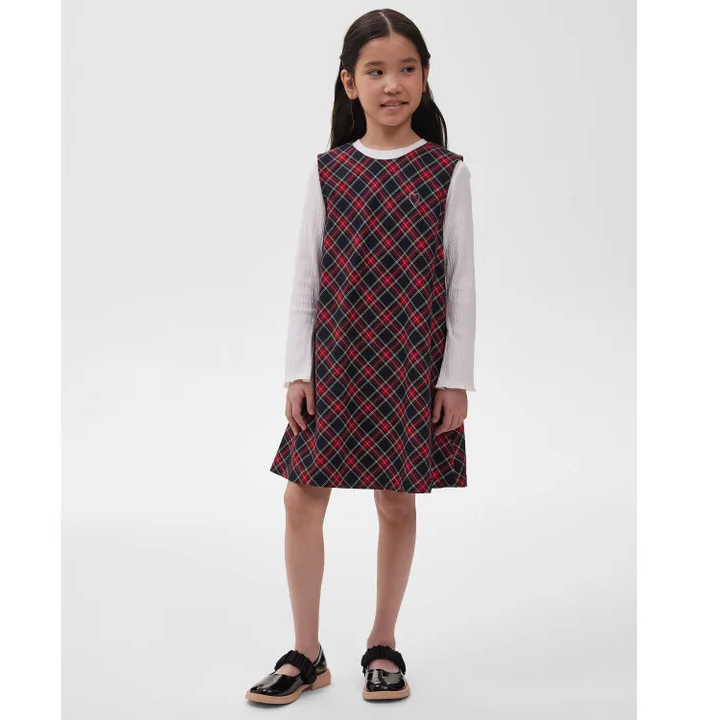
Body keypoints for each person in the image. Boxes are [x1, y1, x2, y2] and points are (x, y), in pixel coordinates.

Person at [246, 8, 476, 705]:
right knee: (300, 497)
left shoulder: (446, 174)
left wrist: (455, 379)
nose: (392, 84)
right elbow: (305, 279)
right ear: (349, 82)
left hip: (409, 363)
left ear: (426, 77)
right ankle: (306, 651)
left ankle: (383, 642)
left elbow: (461, 284)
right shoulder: (330, 172)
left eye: (406, 69)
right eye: (375, 71)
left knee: (396, 501)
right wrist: (297, 370)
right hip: (336, 361)